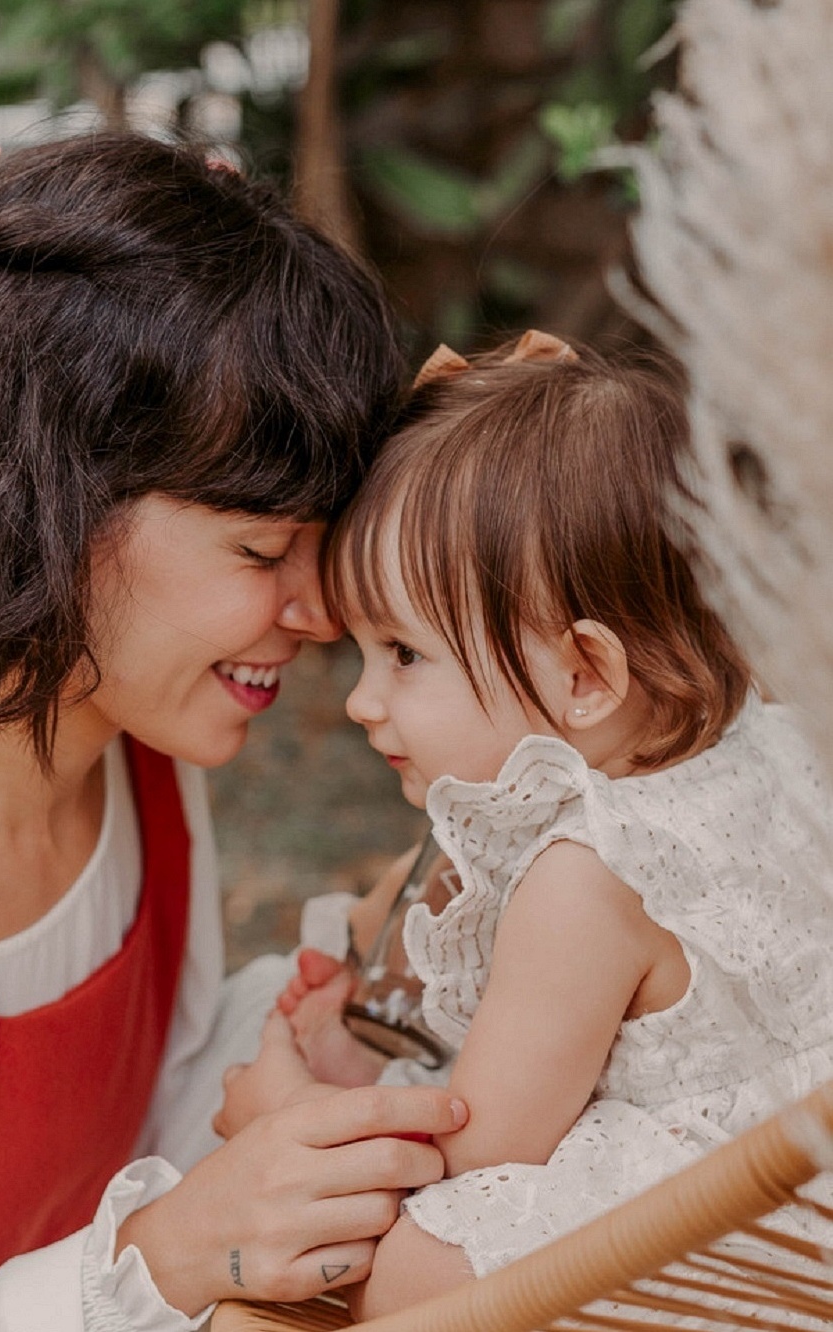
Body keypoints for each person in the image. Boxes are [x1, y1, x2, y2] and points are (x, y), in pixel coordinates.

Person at [0, 133, 471, 1332]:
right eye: (261, 549)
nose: (321, 612)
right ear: (42, 498)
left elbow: (147, 1108)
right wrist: (161, 1259)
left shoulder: (127, 753)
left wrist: (304, 1025)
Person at [216, 331, 833, 1318]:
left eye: (403, 655)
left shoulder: (582, 878)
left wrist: (292, 1119)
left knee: (416, 1267)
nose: (362, 703)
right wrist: (373, 1049)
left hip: (749, 1232)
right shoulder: (763, 735)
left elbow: (475, 1149)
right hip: (802, 1158)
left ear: (585, 676)